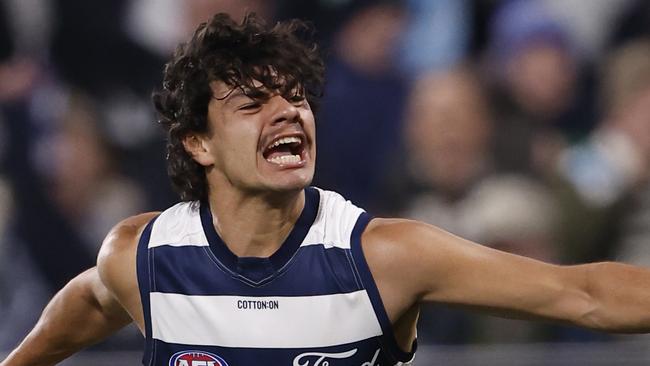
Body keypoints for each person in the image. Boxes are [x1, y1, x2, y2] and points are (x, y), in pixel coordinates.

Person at [4, 13, 650, 366]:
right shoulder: (141, 255)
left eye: (296, 97)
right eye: (254, 103)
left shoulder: (384, 255)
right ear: (197, 142)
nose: (289, 112)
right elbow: (86, 302)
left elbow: (584, 295)